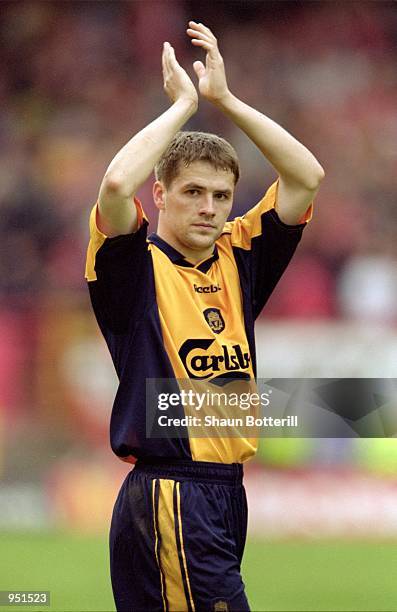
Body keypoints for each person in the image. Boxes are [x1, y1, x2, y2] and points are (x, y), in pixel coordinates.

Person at [85, 20, 324, 612]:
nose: (210, 208)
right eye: (193, 192)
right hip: (171, 491)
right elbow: (116, 181)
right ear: (160, 195)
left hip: (224, 493)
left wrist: (226, 100)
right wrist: (184, 107)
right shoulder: (132, 265)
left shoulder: (240, 255)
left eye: (221, 196)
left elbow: (307, 176)